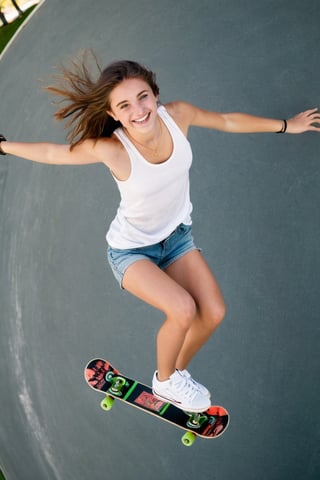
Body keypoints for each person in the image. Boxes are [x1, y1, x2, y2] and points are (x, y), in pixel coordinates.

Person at [1, 53, 319, 412]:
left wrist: (285, 125)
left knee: (213, 312)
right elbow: (53, 153)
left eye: (143, 97)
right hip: (131, 252)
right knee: (182, 309)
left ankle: (175, 375)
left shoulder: (178, 115)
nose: (138, 110)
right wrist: (1, 145)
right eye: (124, 105)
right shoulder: (112, 149)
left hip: (177, 238)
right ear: (113, 115)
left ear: (154, 94)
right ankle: (164, 380)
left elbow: (227, 121)